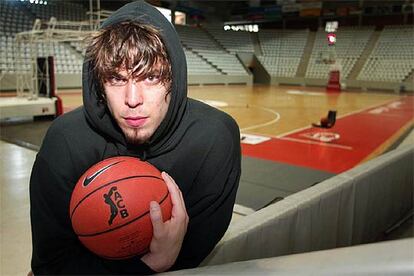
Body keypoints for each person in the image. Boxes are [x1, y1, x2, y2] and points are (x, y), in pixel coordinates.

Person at [29, 1, 241, 275]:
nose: (132, 100)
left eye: (151, 77)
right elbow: (51, 264)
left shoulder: (214, 140)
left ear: (175, 78)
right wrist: (150, 266)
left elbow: (193, 258)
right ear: (99, 84)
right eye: (116, 79)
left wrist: (173, 259)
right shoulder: (66, 142)